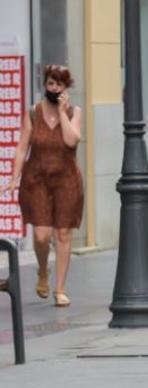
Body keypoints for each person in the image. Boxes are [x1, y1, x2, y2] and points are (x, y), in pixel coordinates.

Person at [2, 65, 84, 308]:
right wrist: (14, 176)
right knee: (41, 234)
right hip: (36, 179)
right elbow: (21, 147)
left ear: (66, 88)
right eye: (50, 83)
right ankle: (42, 271)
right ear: (45, 84)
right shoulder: (33, 113)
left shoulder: (73, 112)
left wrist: (61, 112)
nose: (54, 88)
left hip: (66, 180)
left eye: (59, 84)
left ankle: (60, 289)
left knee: (63, 233)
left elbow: (71, 140)